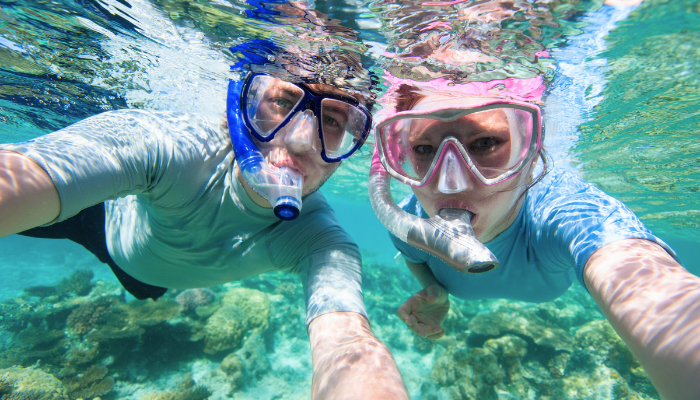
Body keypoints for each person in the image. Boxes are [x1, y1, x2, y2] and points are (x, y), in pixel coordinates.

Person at [0, 9, 409, 398]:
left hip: (148, 279)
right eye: (282, 103)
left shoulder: (321, 241)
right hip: (98, 221)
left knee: (146, 290)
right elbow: (25, 173)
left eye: (334, 121)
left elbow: (347, 346)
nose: (302, 141)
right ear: (242, 106)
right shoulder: (166, 148)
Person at [368, 69, 700, 399]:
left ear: (531, 149)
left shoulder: (565, 211)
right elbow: (416, 259)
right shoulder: (408, 222)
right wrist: (435, 292)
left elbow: (641, 277)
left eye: (484, 143)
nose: (449, 182)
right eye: (424, 150)